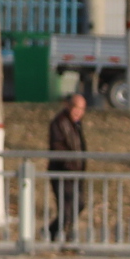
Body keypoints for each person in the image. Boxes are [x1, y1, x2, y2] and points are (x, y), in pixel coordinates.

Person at [45, 88, 90, 244]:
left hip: (76, 173)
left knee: (79, 204)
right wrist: (71, 164)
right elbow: (58, 147)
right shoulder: (59, 123)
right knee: (67, 208)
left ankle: (57, 231)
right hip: (62, 172)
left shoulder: (76, 124)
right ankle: (58, 235)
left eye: (82, 109)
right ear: (69, 106)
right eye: (76, 108)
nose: (79, 112)